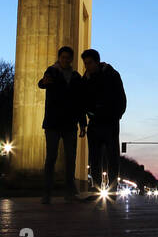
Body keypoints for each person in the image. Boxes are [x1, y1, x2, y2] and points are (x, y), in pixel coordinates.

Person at [38, 46, 85, 203]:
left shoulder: (76, 77)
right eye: (63, 57)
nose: (65, 60)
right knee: (51, 158)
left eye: (68, 58)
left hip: (70, 124)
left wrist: (83, 124)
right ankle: (47, 192)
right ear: (59, 58)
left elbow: (81, 103)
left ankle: (69, 192)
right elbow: (42, 83)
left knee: (71, 159)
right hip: (53, 123)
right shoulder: (51, 71)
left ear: (71, 59)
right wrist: (43, 82)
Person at [82, 49, 126, 193]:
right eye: (85, 63)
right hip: (94, 123)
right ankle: (96, 188)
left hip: (110, 123)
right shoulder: (85, 79)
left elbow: (121, 98)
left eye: (89, 63)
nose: (86, 66)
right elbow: (82, 101)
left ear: (97, 62)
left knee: (112, 157)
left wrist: (115, 116)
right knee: (94, 158)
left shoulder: (112, 75)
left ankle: (113, 189)